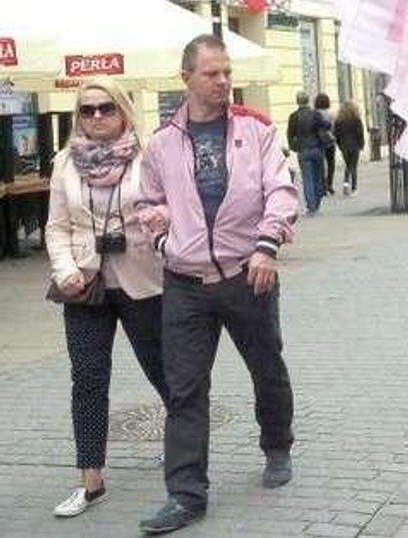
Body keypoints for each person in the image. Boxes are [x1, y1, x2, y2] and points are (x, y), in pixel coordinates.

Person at [137, 34, 299, 534]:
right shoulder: (162, 143)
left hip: (247, 274)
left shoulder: (256, 130)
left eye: (227, 72)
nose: (223, 81)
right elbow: (145, 206)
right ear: (185, 77)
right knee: (184, 390)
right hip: (185, 284)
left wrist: (267, 246)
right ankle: (186, 495)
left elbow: (281, 190)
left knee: (266, 367)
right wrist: (164, 240)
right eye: (212, 73)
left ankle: (277, 445)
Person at [44, 78, 169, 518]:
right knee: (88, 379)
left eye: (105, 108)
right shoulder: (64, 163)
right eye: (87, 109)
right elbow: (57, 227)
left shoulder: (149, 155)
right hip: (86, 283)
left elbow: (173, 204)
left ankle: (184, 449)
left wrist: (161, 218)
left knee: (164, 370)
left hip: (143, 279)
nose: (96, 116)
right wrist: (66, 271)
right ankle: (91, 480)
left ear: (122, 110)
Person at [286, 91, 324, 215]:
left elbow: (290, 135)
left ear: (297, 102)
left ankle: (311, 206)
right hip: (317, 148)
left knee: (307, 178)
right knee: (318, 177)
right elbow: (326, 126)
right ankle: (317, 202)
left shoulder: (294, 116)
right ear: (308, 101)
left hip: (303, 150)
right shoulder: (315, 114)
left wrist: (294, 147)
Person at [333, 100, 365, 196]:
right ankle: (354, 189)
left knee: (348, 166)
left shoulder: (339, 121)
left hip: (344, 146)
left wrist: (339, 145)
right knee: (353, 167)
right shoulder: (356, 119)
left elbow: (336, 134)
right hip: (354, 145)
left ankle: (346, 184)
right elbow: (360, 133)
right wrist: (361, 144)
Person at [313, 93, 336, 196]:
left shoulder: (314, 113)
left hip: (319, 141)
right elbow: (333, 127)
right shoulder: (331, 114)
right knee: (331, 164)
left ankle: (322, 186)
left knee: (321, 164)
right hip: (330, 141)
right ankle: (329, 184)